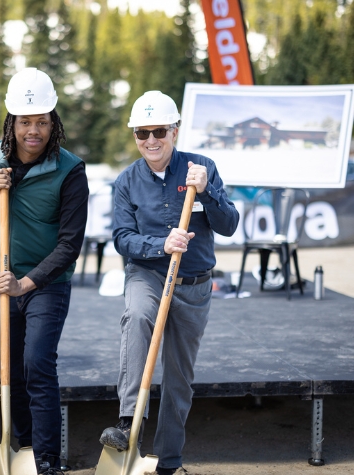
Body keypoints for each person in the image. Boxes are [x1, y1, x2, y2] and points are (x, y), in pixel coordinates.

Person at [99, 91, 240, 475]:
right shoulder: (126, 180)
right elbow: (122, 238)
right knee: (138, 317)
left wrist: (208, 190)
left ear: (174, 131)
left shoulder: (201, 168)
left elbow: (229, 226)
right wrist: (159, 244)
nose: (150, 140)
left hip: (194, 285)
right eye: (141, 133)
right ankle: (128, 423)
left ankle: (167, 463)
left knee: (179, 378)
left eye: (158, 130)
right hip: (148, 274)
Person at [0, 68, 89, 474]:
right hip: (4, 282)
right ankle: (24, 449)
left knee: (37, 364)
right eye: (26, 121)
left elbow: (70, 245)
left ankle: (46, 459)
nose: (35, 131)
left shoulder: (71, 170)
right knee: (10, 370)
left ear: (54, 123)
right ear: (11, 123)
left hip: (46, 284)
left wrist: (26, 283)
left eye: (42, 122)